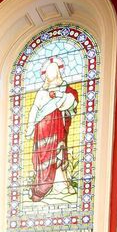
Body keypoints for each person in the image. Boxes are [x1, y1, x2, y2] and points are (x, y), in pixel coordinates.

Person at [25, 57, 78, 201]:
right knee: (42, 158)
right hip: (41, 130)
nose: (50, 73)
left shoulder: (65, 89)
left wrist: (61, 97)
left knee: (57, 155)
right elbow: (35, 109)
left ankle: (59, 187)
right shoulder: (41, 92)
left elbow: (71, 102)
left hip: (56, 128)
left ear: (59, 72)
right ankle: (41, 185)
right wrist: (30, 126)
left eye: (53, 70)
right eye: (48, 71)